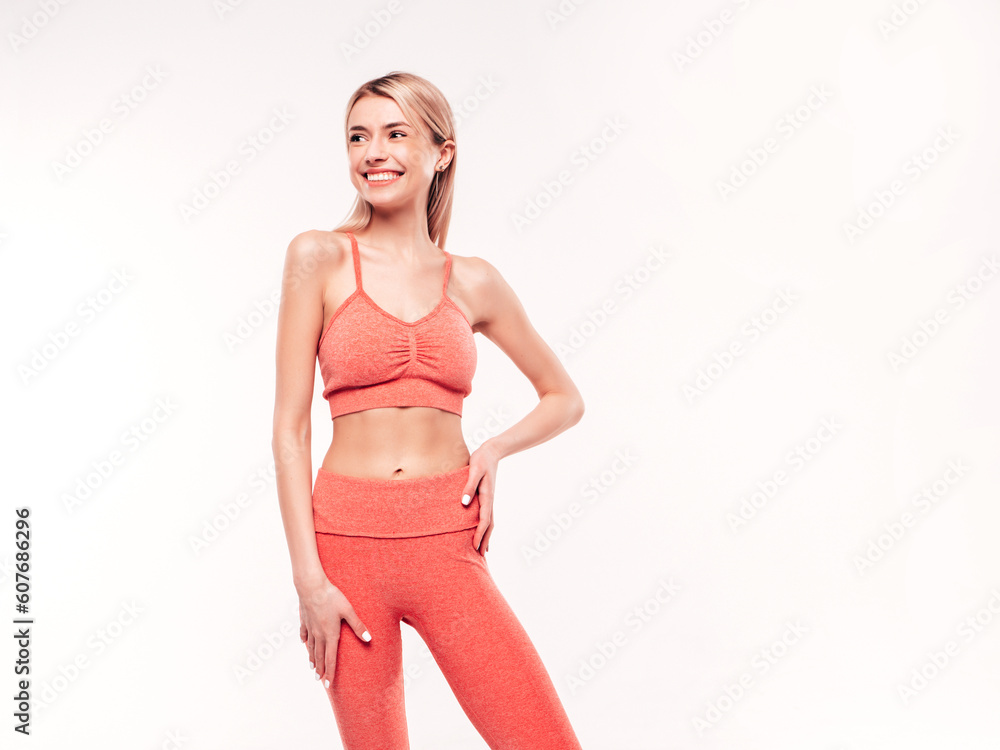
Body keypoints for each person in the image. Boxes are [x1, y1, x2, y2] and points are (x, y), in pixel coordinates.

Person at [272, 70, 585, 749]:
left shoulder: (473, 280)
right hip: (344, 547)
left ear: (442, 152)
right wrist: (309, 583)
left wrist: (495, 448)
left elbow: (564, 398)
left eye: (395, 134)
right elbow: (289, 431)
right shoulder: (318, 258)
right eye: (358, 136)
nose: (372, 152)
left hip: (449, 536)